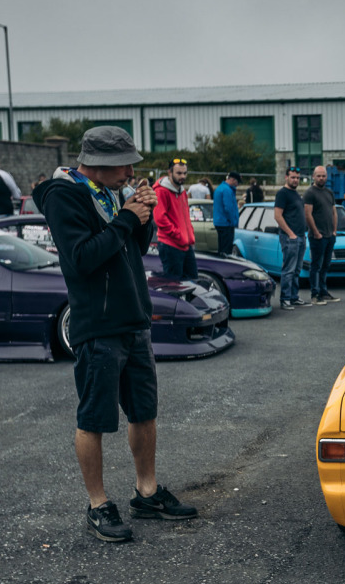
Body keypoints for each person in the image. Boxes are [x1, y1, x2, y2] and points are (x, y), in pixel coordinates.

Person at [33, 125, 196, 543]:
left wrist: (141, 216)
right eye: (125, 164)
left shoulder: (110, 193)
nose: (130, 171)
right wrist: (126, 218)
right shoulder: (64, 195)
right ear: (101, 163)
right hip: (97, 326)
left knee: (144, 412)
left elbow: (132, 247)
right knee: (94, 419)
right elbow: (83, 258)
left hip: (132, 319)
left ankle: (146, 492)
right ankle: (98, 503)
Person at [153, 158, 197, 280]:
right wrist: (179, 235)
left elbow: (186, 217)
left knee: (192, 281)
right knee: (174, 286)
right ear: (169, 172)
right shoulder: (161, 191)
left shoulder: (182, 192)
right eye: (179, 173)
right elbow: (160, 219)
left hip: (185, 244)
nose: (182, 176)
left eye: (185, 173)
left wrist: (190, 236)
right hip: (170, 245)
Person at [302, 165, 338, 305]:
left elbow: (334, 212)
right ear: (313, 176)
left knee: (325, 266)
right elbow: (307, 214)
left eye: (323, 176)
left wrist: (334, 231)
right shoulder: (310, 193)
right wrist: (316, 233)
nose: (321, 178)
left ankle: (324, 292)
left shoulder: (329, 193)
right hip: (318, 237)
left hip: (330, 236)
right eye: (319, 176)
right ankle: (315, 294)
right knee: (316, 266)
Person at [273, 167, 308, 309]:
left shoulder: (295, 194)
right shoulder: (282, 194)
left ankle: (294, 297)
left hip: (300, 236)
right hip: (290, 238)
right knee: (289, 269)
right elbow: (277, 216)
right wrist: (290, 233)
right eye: (293, 177)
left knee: (297, 270)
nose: (295, 180)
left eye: (298, 178)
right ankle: (285, 299)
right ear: (286, 177)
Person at [213, 171, 240, 255]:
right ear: (232, 179)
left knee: (221, 247)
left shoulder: (220, 188)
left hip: (219, 221)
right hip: (226, 223)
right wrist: (233, 221)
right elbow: (229, 208)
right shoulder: (227, 190)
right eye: (237, 182)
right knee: (227, 249)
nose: (237, 184)